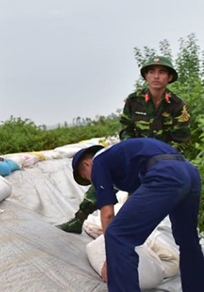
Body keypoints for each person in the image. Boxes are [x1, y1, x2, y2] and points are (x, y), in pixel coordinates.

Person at [71, 138, 204, 292]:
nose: (91, 181)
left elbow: (107, 213)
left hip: (165, 175)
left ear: (86, 163)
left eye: (86, 176)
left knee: (117, 235)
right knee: (188, 239)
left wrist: (112, 258)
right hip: (189, 172)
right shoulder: (123, 157)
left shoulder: (99, 161)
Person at [59, 55, 191, 234]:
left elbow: (181, 140)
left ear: (169, 77)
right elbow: (125, 128)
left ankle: (129, 232)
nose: (156, 76)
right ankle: (79, 218)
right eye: (151, 72)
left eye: (161, 72)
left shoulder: (177, 106)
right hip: (132, 154)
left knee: (139, 199)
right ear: (146, 76)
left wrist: (164, 159)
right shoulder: (134, 100)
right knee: (102, 174)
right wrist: (131, 147)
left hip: (160, 161)